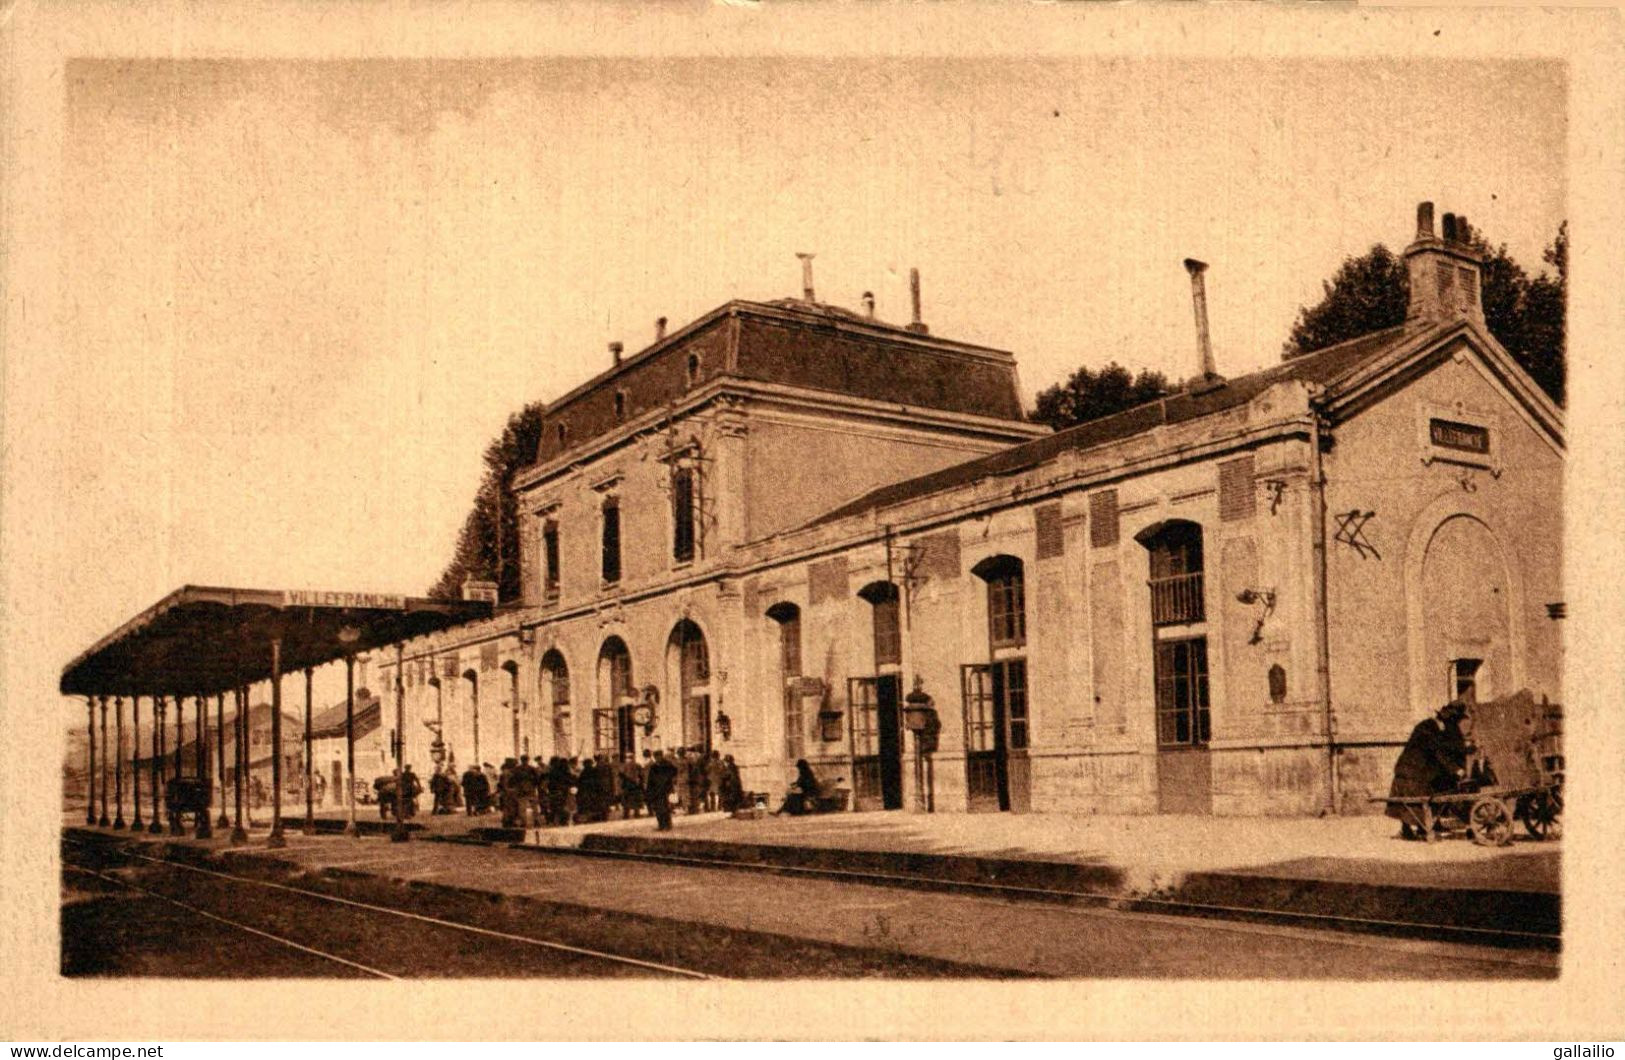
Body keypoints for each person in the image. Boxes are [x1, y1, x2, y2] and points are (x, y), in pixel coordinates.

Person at [1386, 701, 1471, 839]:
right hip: (1410, 770)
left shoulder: (1436, 728)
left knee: (1433, 791)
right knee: (1413, 799)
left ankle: (1424, 825)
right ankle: (1415, 828)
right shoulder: (1427, 728)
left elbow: (1446, 749)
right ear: (1446, 719)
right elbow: (1438, 752)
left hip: (1419, 769)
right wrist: (1456, 770)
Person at [645, 749, 679, 832]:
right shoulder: (654, 766)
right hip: (656, 790)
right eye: (656, 757)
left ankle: (667, 825)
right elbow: (650, 779)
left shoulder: (667, 764)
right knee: (657, 808)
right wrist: (649, 790)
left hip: (665, 789)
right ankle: (661, 824)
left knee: (665, 807)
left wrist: (668, 779)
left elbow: (675, 771)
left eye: (658, 756)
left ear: (661, 756)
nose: (657, 758)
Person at [619, 752, 645, 819]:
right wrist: (641, 782)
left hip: (627, 784)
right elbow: (641, 775)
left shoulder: (624, 765)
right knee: (635, 798)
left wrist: (622, 784)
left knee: (626, 799)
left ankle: (626, 814)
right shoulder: (637, 765)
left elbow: (621, 775)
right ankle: (636, 813)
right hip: (635, 784)